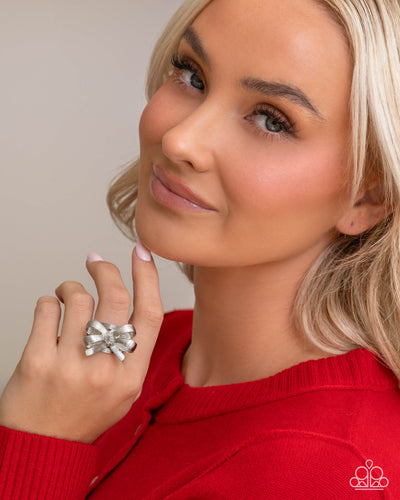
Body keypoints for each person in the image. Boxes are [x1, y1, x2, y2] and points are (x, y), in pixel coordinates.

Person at [0, 0, 400, 497]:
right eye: (192, 75)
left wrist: (39, 443)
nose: (179, 140)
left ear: (368, 197)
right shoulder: (140, 356)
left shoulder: (333, 471)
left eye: (271, 120)